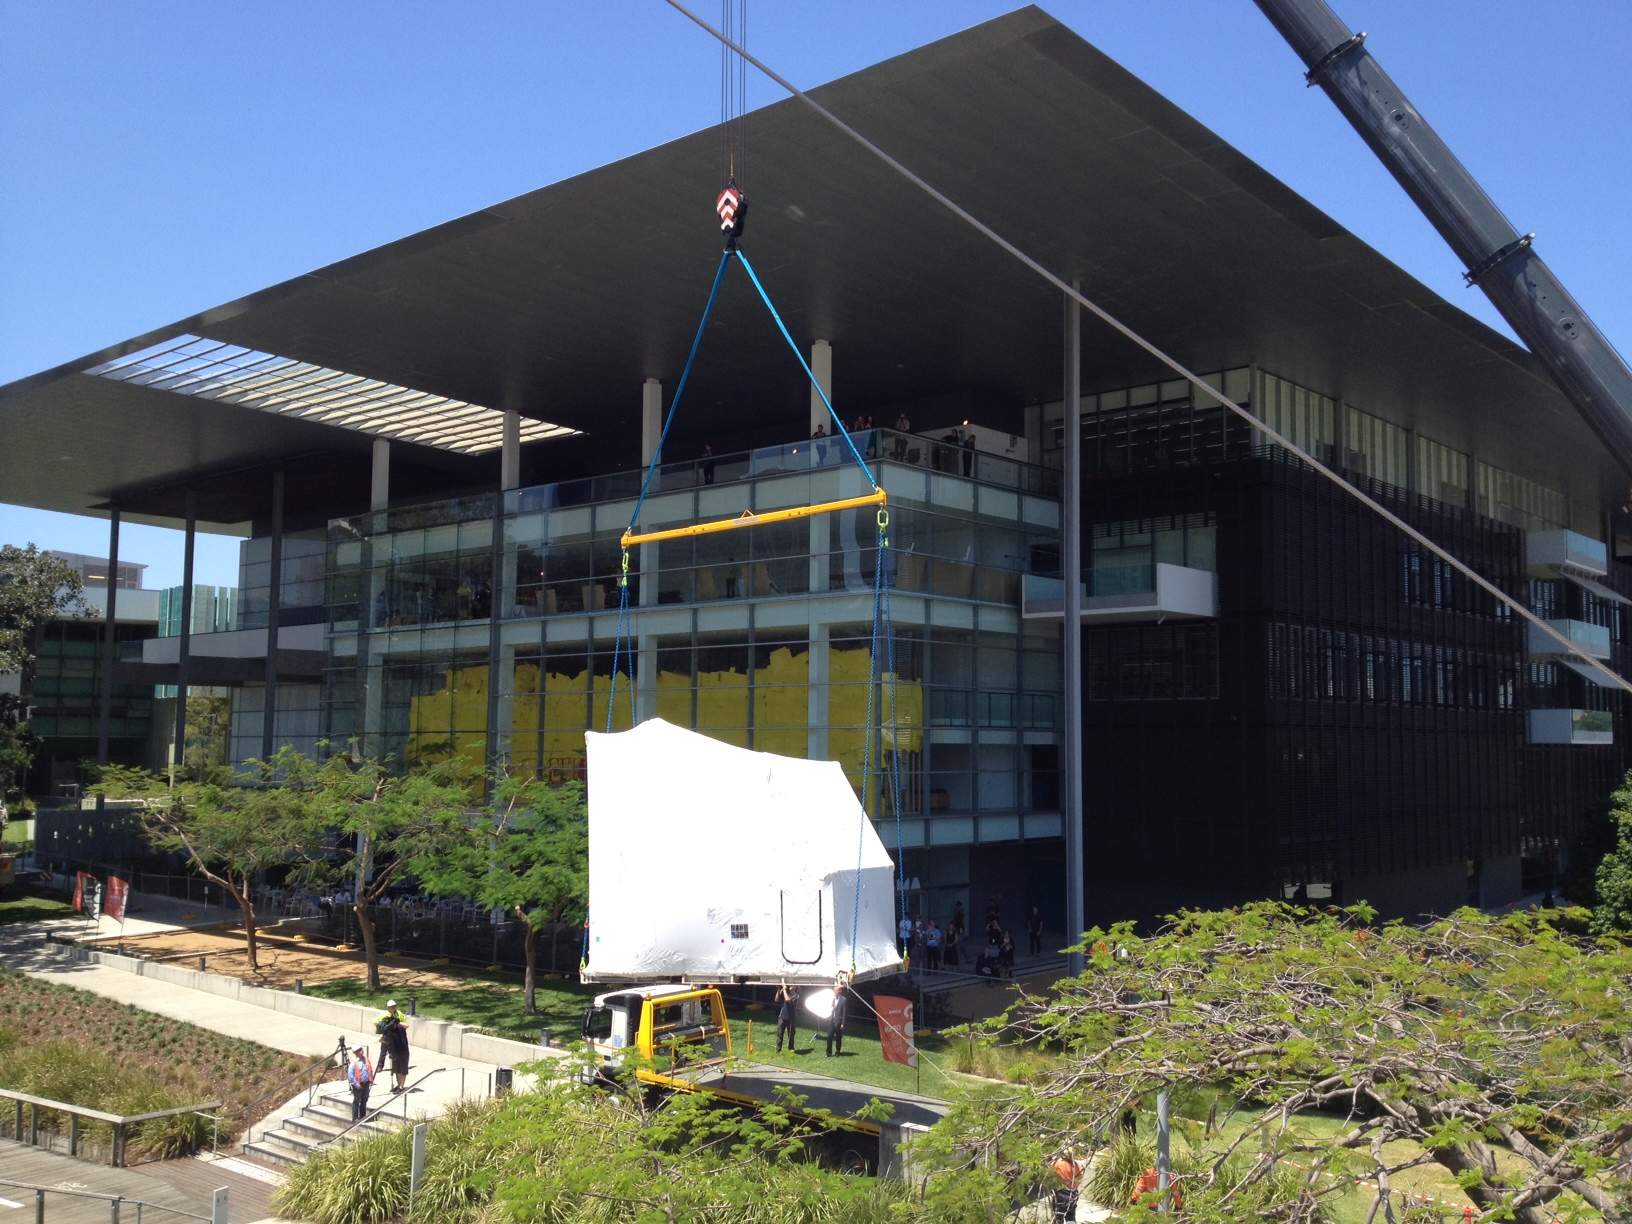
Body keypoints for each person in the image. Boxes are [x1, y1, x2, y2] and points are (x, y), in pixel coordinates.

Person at [375, 999, 411, 1093]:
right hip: (393, 1047)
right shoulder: (385, 1017)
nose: (393, 1008)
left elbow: (406, 1025)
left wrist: (397, 1023)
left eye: (394, 1006)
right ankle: (398, 1085)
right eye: (391, 1006)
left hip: (402, 1049)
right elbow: (381, 1029)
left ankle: (401, 1087)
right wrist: (383, 1036)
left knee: (402, 1069)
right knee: (396, 1068)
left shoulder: (398, 1020)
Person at [1051, 1149, 1086, 1224]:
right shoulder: (1077, 1165)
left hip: (1061, 1194)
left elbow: (1049, 1172)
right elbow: (1080, 1178)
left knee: (1058, 1218)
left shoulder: (1058, 1164)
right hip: (1073, 1194)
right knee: (1070, 1216)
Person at [346, 1045, 375, 1121]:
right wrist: (356, 1084)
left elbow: (370, 1070)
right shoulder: (354, 1062)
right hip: (358, 1084)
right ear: (355, 1052)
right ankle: (355, 1118)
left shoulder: (366, 1059)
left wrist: (371, 1079)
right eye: (359, 1050)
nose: (361, 1051)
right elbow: (350, 1075)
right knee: (357, 1101)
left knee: (364, 1100)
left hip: (366, 1083)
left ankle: (362, 1116)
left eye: (361, 1049)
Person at [775, 983, 800, 1054]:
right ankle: (778, 1050)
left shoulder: (796, 995)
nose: (791, 985)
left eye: (793, 985)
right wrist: (779, 989)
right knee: (780, 1033)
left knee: (791, 1034)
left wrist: (784, 990)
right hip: (782, 1016)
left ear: (796, 987)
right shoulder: (785, 992)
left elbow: (787, 1000)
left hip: (791, 1017)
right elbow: (776, 999)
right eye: (790, 984)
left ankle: (791, 1047)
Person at [825, 983, 847, 1056]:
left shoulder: (843, 1000)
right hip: (832, 1020)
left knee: (838, 1038)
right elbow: (830, 1009)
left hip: (839, 1021)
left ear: (840, 991)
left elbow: (844, 1013)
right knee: (829, 1036)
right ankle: (828, 1053)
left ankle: (837, 1051)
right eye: (834, 990)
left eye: (836, 990)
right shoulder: (832, 999)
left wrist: (843, 1023)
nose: (835, 992)